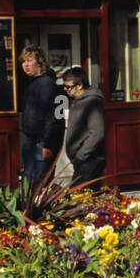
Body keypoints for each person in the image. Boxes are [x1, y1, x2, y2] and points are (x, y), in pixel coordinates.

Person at [19, 45, 64, 186]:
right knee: (30, 185)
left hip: (41, 145)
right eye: (23, 61)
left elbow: (55, 117)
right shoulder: (33, 83)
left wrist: (48, 145)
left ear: (39, 62)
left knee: (39, 187)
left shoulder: (47, 85)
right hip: (31, 142)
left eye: (29, 60)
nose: (25, 65)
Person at [61, 66, 106, 186]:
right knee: (81, 198)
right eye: (64, 86)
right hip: (82, 161)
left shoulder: (92, 101)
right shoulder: (77, 101)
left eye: (68, 87)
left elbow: (97, 133)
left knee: (81, 198)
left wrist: (81, 155)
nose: (66, 90)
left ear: (79, 85)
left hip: (89, 160)